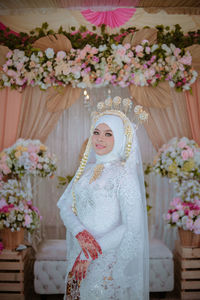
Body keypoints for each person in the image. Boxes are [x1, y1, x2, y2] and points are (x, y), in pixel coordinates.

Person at [57, 108, 149, 300]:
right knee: (74, 294)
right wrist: (79, 232)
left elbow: (132, 225)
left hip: (106, 258)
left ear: (121, 138)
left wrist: (89, 254)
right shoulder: (86, 171)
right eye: (96, 132)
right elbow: (65, 206)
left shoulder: (124, 176)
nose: (100, 139)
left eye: (108, 134)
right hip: (78, 251)